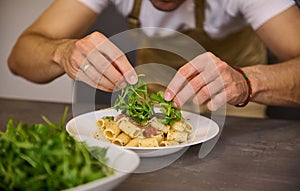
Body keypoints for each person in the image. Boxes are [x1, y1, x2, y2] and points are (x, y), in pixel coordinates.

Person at [7, 0, 300, 116]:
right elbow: (20, 58)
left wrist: (247, 81)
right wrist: (62, 52)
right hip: (154, 102)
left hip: (236, 104)